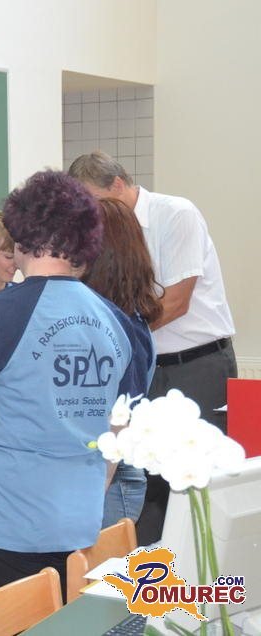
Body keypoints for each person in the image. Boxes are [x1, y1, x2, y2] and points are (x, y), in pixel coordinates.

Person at [0, 171, 138, 608]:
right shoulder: (121, 325)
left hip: (4, 528)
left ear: (21, 232)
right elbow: (117, 437)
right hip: (81, 525)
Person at [68, 151, 236, 543]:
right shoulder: (104, 234)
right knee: (143, 482)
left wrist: (117, 340)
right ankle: (146, 575)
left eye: (95, 201)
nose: (93, 215)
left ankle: (196, 575)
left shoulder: (176, 214)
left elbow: (176, 302)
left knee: (193, 484)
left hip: (195, 365)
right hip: (143, 368)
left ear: (118, 185)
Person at [81, 197, 163, 526]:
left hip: (111, 479)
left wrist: (94, 488)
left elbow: (120, 417)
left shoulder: (124, 327)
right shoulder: (123, 319)